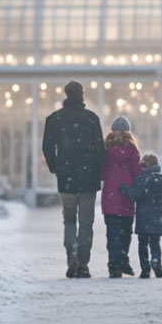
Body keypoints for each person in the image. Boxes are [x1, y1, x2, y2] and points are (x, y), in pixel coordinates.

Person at [42, 80, 105, 279]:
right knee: (86, 222)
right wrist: (98, 170)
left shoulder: (54, 119)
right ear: (82, 95)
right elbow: (99, 150)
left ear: (66, 94)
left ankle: (72, 252)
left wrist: (55, 167)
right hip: (88, 177)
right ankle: (83, 264)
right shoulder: (92, 119)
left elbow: (47, 147)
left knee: (69, 219)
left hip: (66, 177)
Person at [99, 116, 142, 278]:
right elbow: (137, 171)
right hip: (126, 195)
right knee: (125, 231)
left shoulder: (106, 149)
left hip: (110, 196)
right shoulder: (132, 149)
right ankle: (123, 259)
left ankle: (114, 265)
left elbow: (102, 172)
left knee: (112, 232)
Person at [120, 154, 162, 278]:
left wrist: (123, 188)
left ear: (145, 165)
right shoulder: (160, 180)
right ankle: (156, 260)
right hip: (157, 217)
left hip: (144, 218)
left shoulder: (141, 179)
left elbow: (135, 195)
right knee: (155, 242)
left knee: (143, 244)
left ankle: (145, 268)